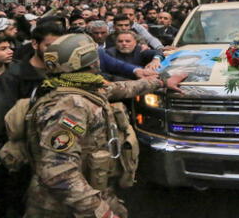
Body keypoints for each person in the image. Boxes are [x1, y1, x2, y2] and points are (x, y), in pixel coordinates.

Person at [21, 34, 186, 217]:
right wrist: (102, 212)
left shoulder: (81, 87)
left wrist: (161, 82)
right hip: (63, 207)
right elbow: (59, 173)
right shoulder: (69, 107)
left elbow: (123, 88)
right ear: (91, 62)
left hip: (92, 192)